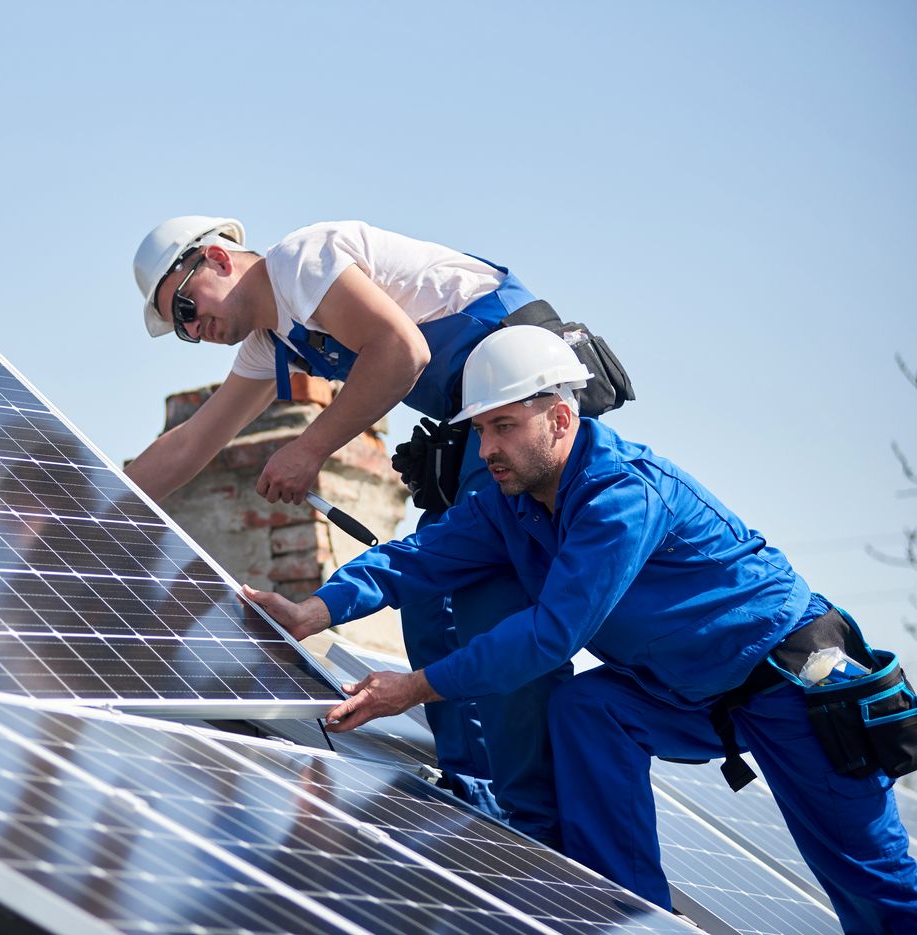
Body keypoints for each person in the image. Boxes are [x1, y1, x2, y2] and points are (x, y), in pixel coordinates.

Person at [244, 326, 917, 932]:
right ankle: (630, 917)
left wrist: (416, 687)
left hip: (790, 682)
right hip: (687, 693)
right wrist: (317, 610)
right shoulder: (512, 504)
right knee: (587, 707)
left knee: (873, 888)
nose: (489, 449)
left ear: (561, 418)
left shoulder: (621, 496)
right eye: (480, 431)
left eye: (504, 426)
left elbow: (549, 634)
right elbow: (417, 557)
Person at [129, 216, 627, 844]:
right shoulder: (272, 341)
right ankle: (473, 797)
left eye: (186, 307)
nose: (195, 330)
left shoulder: (301, 262)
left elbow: (402, 352)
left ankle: (533, 826)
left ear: (218, 260)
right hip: (471, 422)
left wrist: (309, 449)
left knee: (486, 606)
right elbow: (192, 444)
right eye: (181, 330)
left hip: (518, 408)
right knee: (427, 606)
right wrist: (85, 504)